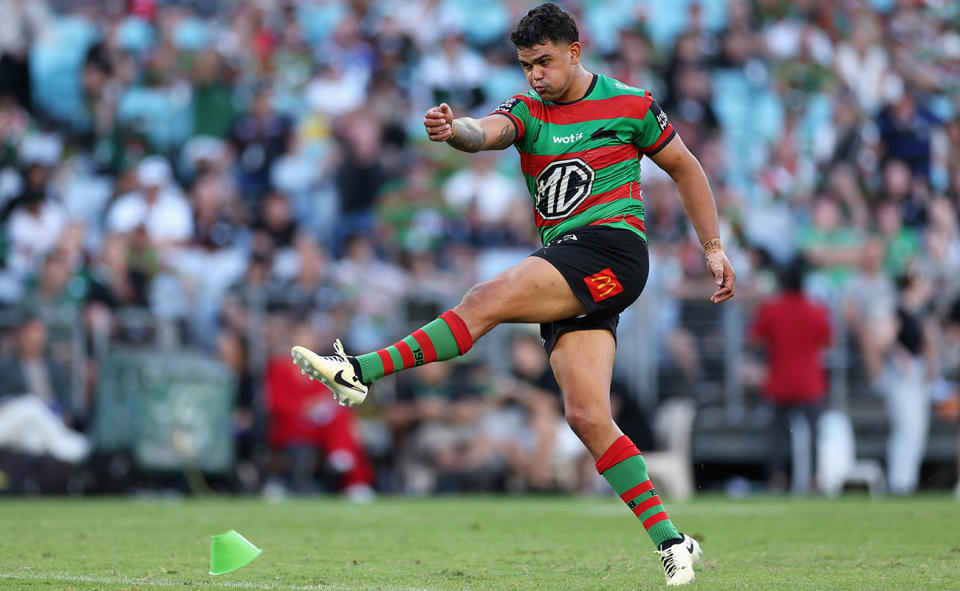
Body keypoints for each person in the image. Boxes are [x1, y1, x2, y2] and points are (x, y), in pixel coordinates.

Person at [291, 4, 735, 585]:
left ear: (575, 52)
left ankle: (359, 371)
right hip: (569, 267)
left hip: (611, 250)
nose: (535, 75)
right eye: (526, 65)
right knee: (587, 416)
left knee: (484, 299)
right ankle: (673, 544)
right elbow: (486, 133)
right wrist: (457, 132)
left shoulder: (630, 104)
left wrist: (712, 248)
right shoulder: (527, 110)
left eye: (545, 62)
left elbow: (686, 168)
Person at [749, 257, 832, 492]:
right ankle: (815, 479)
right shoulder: (816, 310)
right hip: (810, 383)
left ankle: (777, 478)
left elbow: (754, 340)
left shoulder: (772, 309)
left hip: (780, 382)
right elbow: (827, 341)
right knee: (814, 435)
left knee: (778, 436)